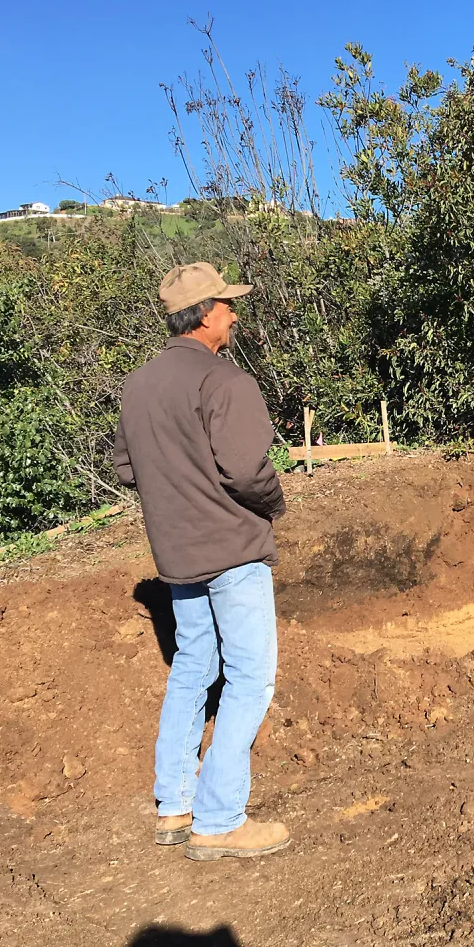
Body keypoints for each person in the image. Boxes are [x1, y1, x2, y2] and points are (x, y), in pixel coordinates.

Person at [114, 262, 291, 860]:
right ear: (206, 313)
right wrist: (273, 505)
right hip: (233, 551)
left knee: (193, 666)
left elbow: (126, 470)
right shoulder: (223, 381)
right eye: (227, 304)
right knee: (250, 678)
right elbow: (246, 470)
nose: (234, 314)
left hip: (177, 555)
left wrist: (177, 500)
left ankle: (175, 806)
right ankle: (219, 821)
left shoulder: (138, 386)